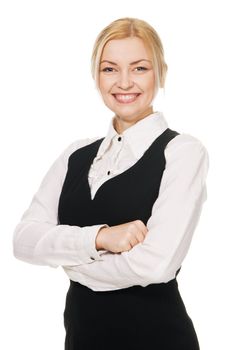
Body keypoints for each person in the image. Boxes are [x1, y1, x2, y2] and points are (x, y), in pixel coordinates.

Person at [13, 17, 209, 350]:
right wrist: (101, 237)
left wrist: (72, 264)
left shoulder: (183, 152)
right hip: (82, 338)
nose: (124, 82)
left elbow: (155, 265)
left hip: (157, 340)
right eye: (109, 69)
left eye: (140, 68)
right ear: (96, 76)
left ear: (161, 72)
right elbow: (24, 241)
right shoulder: (75, 154)